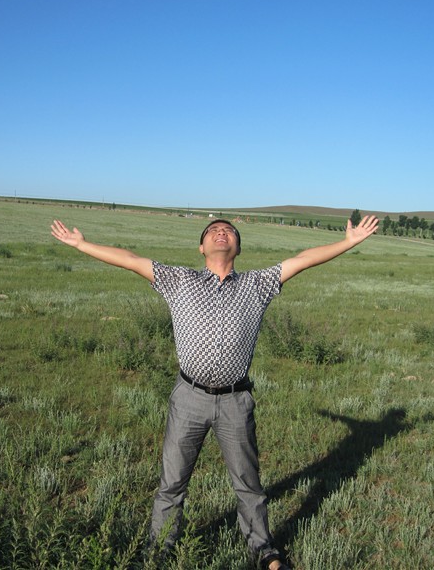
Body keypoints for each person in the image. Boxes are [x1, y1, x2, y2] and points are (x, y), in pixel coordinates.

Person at [50, 214, 379, 570]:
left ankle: (264, 552)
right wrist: (82, 244)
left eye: (228, 231)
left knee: (248, 484)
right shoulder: (179, 280)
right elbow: (130, 259)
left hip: (236, 401)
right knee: (172, 484)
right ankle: (157, 554)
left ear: (238, 247)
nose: (221, 233)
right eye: (213, 231)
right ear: (201, 247)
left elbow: (302, 259)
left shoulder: (258, 284)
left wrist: (348, 242)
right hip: (189, 397)